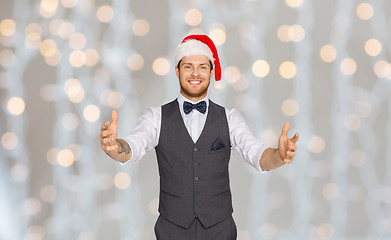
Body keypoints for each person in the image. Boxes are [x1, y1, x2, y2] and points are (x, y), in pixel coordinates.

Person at [99, 35, 299, 240]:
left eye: (203, 67)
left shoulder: (230, 118)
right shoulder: (156, 117)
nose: (195, 73)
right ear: (177, 71)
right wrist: (114, 146)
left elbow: (257, 154)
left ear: (211, 72)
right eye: (188, 66)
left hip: (220, 229)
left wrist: (279, 155)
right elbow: (133, 147)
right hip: (171, 229)